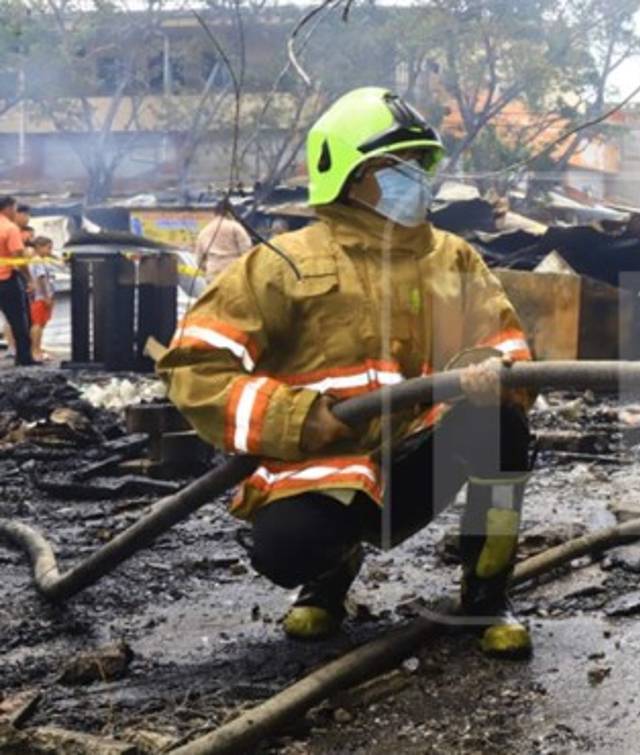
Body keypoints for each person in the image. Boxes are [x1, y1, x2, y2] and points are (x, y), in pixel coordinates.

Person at [158, 87, 535, 659]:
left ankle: (486, 596)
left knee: (502, 429)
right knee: (288, 550)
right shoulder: (282, 263)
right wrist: (294, 419)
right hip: (325, 469)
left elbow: (504, 341)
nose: (416, 178)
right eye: (395, 166)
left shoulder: (452, 258)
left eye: (419, 164)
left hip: (416, 458)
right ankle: (328, 575)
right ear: (348, 175)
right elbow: (195, 366)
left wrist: (496, 372)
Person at [0, 196, 34, 366]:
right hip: (6, 280)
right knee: (18, 321)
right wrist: (28, 278)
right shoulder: (10, 228)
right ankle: (24, 359)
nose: (16, 212)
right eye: (15, 208)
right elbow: (18, 257)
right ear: (7, 208)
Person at [192, 198, 253, 283]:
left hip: (213, 274)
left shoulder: (204, 231)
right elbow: (247, 251)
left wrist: (210, 266)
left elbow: (199, 260)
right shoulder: (235, 227)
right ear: (230, 212)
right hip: (233, 273)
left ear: (215, 213)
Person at [27, 236, 56, 362]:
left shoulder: (42, 260)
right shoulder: (37, 260)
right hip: (41, 297)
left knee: (42, 324)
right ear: (39, 247)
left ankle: (38, 348)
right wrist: (46, 296)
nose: (50, 251)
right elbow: (41, 278)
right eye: (48, 248)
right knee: (37, 324)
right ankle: (35, 350)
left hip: (44, 296)